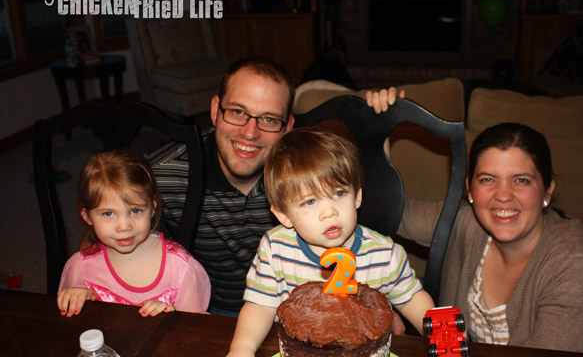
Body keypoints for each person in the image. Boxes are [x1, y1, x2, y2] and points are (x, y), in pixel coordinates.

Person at [148, 57, 400, 316]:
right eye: (237, 112)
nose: (249, 132)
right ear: (215, 110)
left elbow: (356, 187)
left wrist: (378, 119)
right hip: (207, 312)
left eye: (269, 119)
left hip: (298, 315)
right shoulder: (166, 173)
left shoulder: (303, 174)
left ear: (287, 126)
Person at [226, 128, 435, 357]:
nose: (329, 212)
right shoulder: (275, 249)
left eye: (338, 193)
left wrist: (443, 331)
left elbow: (413, 299)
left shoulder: (384, 254)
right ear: (284, 215)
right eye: (309, 201)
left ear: (357, 195)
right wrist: (242, 349)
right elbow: (260, 306)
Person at [397, 122, 583, 354]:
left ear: (547, 190)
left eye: (521, 180)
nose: (503, 196)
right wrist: (377, 127)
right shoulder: (465, 222)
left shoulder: (579, 266)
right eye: (488, 179)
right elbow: (391, 208)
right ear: (470, 190)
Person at [57, 148, 211, 318]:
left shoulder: (180, 268)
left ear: (152, 208)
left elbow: (194, 332)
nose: (124, 226)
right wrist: (77, 301)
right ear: (87, 216)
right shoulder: (80, 269)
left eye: (136, 211)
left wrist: (172, 319)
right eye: (108, 213)